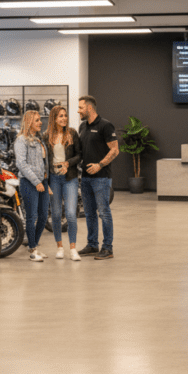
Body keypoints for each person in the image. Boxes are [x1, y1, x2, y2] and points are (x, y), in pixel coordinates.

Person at [77, 95, 118, 260]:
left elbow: (114, 150)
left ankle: (107, 248)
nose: (78, 111)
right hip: (85, 178)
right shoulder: (82, 127)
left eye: (80, 107)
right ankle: (92, 245)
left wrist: (99, 165)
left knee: (104, 212)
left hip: (101, 177)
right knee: (89, 213)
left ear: (89, 108)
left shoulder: (105, 125)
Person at [45, 105, 83, 261]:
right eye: (60, 116)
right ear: (54, 118)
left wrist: (68, 163)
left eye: (65, 115)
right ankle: (59, 247)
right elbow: (44, 160)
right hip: (53, 178)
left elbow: (79, 155)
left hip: (70, 178)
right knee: (55, 214)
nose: (64, 118)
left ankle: (73, 248)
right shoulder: (46, 136)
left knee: (71, 214)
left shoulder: (72, 133)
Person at [14, 110, 51, 262]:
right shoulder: (21, 140)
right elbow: (21, 164)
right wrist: (36, 182)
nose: (40, 122)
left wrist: (45, 182)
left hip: (42, 182)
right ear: (29, 122)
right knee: (32, 217)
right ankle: (33, 249)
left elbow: (43, 164)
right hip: (29, 183)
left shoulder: (38, 140)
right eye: (37, 120)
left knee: (43, 216)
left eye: (40, 120)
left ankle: (33, 245)